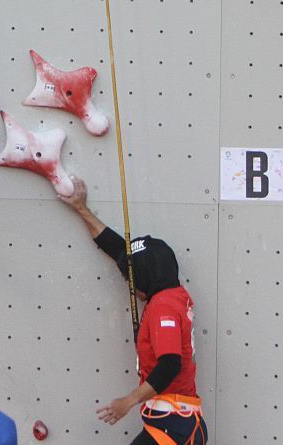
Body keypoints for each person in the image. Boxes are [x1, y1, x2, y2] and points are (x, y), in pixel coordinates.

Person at [60, 176, 208, 445]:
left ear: (146, 276)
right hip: (173, 426)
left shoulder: (164, 307)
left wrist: (126, 402)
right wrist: (82, 210)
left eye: (131, 278)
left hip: (173, 430)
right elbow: (120, 250)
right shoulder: (171, 293)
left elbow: (170, 364)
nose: (129, 283)